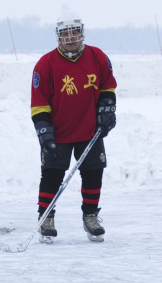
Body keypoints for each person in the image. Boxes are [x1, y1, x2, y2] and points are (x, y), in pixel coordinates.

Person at [30, 17, 117, 243]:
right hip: (58, 133)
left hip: (89, 130)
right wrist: (43, 130)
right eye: (65, 34)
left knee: (94, 173)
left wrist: (107, 110)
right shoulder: (45, 64)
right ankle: (46, 217)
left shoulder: (97, 57)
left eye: (74, 33)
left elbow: (108, 85)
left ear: (82, 34)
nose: (70, 38)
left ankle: (90, 216)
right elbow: (39, 102)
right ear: (58, 37)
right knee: (51, 174)